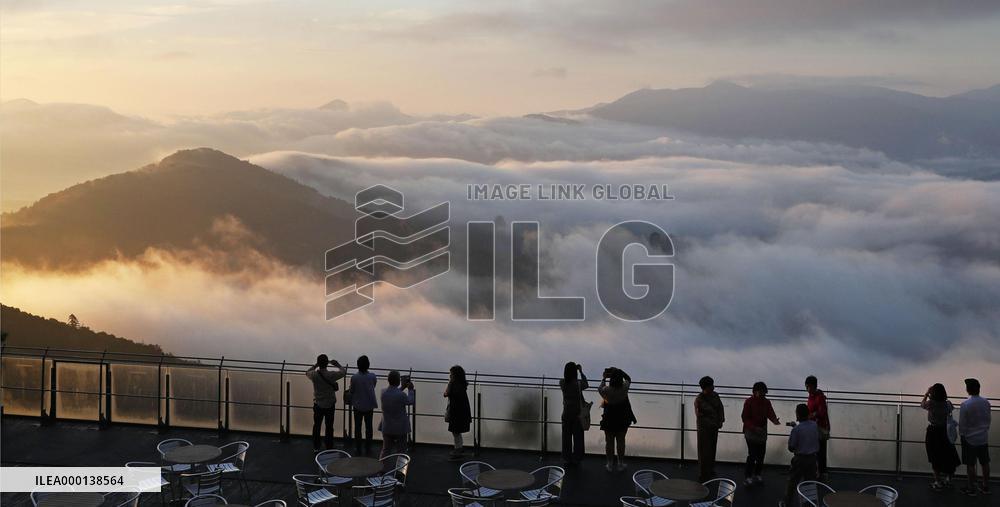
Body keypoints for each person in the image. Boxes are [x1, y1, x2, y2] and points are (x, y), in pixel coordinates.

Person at [921, 383, 961, 490]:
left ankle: (937, 481)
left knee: (935, 456)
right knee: (948, 455)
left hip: (933, 432)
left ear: (933, 393)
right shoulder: (948, 404)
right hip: (945, 432)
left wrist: (926, 393)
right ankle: (948, 479)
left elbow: (922, 404)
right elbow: (951, 410)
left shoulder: (931, 404)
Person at [779, 404, 820, 507]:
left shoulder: (796, 430)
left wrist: (794, 429)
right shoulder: (814, 425)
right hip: (812, 459)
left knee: (792, 482)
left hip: (800, 460)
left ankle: (786, 503)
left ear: (797, 414)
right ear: (808, 414)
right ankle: (809, 503)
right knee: (810, 483)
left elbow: (791, 447)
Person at [741, 381, 780, 486]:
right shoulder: (749, 402)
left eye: (764, 393)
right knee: (752, 455)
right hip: (751, 432)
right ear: (755, 392)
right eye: (761, 393)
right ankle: (748, 476)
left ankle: (757, 474)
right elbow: (744, 418)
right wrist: (754, 428)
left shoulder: (766, 402)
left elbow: (770, 413)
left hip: (761, 431)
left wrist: (775, 420)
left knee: (761, 455)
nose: (763, 395)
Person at [306, 354, 346, 452]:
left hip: (318, 404)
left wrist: (315, 365)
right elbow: (343, 372)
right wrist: (337, 364)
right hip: (330, 404)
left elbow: (307, 372)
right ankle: (329, 446)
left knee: (317, 425)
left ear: (319, 363)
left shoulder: (314, 375)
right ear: (327, 363)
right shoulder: (331, 375)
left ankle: (316, 446)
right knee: (329, 426)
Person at [598, 367, 636, 472]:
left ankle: (609, 464)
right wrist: (618, 370)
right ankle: (620, 463)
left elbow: (600, 388)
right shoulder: (624, 388)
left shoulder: (606, 390)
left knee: (609, 442)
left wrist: (604, 378)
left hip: (609, 418)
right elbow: (628, 378)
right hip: (622, 418)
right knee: (621, 441)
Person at [959, 378, 991, 497]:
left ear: (968, 390)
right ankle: (985, 486)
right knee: (985, 462)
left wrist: (963, 435)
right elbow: (988, 419)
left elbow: (962, 424)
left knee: (970, 464)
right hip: (983, 437)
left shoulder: (965, 404)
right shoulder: (986, 402)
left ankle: (971, 488)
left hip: (969, 438)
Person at [379, 370, 416, 459]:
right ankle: (400, 471)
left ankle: (382, 469)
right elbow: (410, 401)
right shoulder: (401, 395)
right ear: (398, 381)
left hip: (387, 426)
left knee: (386, 450)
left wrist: (402, 387)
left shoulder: (383, 392)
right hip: (400, 428)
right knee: (402, 450)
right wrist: (410, 390)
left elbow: (394, 393)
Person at [694, 375, 725, 482]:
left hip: (713, 427)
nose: (713, 387)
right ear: (705, 387)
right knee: (703, 451)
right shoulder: (699, 400)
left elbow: (721, 408)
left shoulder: (715, 396)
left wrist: (721, 420)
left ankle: (710, 469)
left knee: (712, 448)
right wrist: (716, 422)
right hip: (704, 429)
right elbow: (701, 416)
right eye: (711, 385)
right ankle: (703, 474)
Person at [559, 361, 589, 466]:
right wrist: (581, 371)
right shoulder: (578, 384)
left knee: (566, 437)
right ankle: (577, 458)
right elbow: (586, 384)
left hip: (566, 413)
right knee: (578, 437)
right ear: (575, 372)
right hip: (577, 414)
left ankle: (566, 458)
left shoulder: (562, 382)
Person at [349, 355, 378, 456]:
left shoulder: (354, 378)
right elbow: (373, 385)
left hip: (357, 405)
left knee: (358, 427)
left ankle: (358, 448)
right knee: (368, 427)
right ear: (368, 365)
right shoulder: (372, 376)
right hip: (369, 405)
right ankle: (368, 448)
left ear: (358, 365)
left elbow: (352, 390)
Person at [805, 375, 830, 480]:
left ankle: (821, 472)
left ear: (813, 386)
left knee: (819, 450)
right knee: (819, 450)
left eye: (808, 386)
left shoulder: (818, 397)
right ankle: (820, 472)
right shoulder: (813, 396)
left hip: (819, 427)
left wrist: (812, 415)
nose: (807, 388)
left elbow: (822, 412)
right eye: (806, 386)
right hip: (815, 427)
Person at [444, 365, 472, 459]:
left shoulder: (453, 385)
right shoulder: (462, 385)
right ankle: (459, 448)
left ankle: (458, 449)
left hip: (456, 412)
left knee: (455, 431)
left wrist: (449, 384)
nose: (450, 376)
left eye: (451, 374)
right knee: (456, 431)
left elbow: (446, 394)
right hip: (461, 411)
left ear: (454, 375)